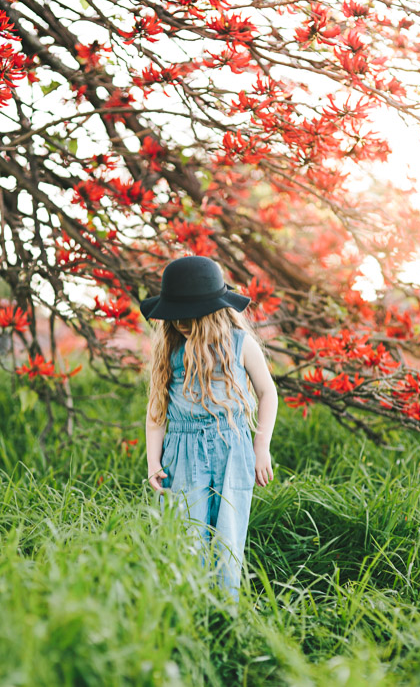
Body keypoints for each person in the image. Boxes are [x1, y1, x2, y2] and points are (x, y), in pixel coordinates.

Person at [141, 255, 277, 601]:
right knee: (187, 535)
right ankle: (189, 607)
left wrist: (262, 446)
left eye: (190, 315)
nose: (182, 322)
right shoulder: (170, 346)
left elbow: (267, 392)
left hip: (232, 447)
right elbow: (156, 409)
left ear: (214, 309)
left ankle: (225, 614)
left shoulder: (239, 344)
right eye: (176, 315)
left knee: (229, 535)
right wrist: (152, 461)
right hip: (182, 451)